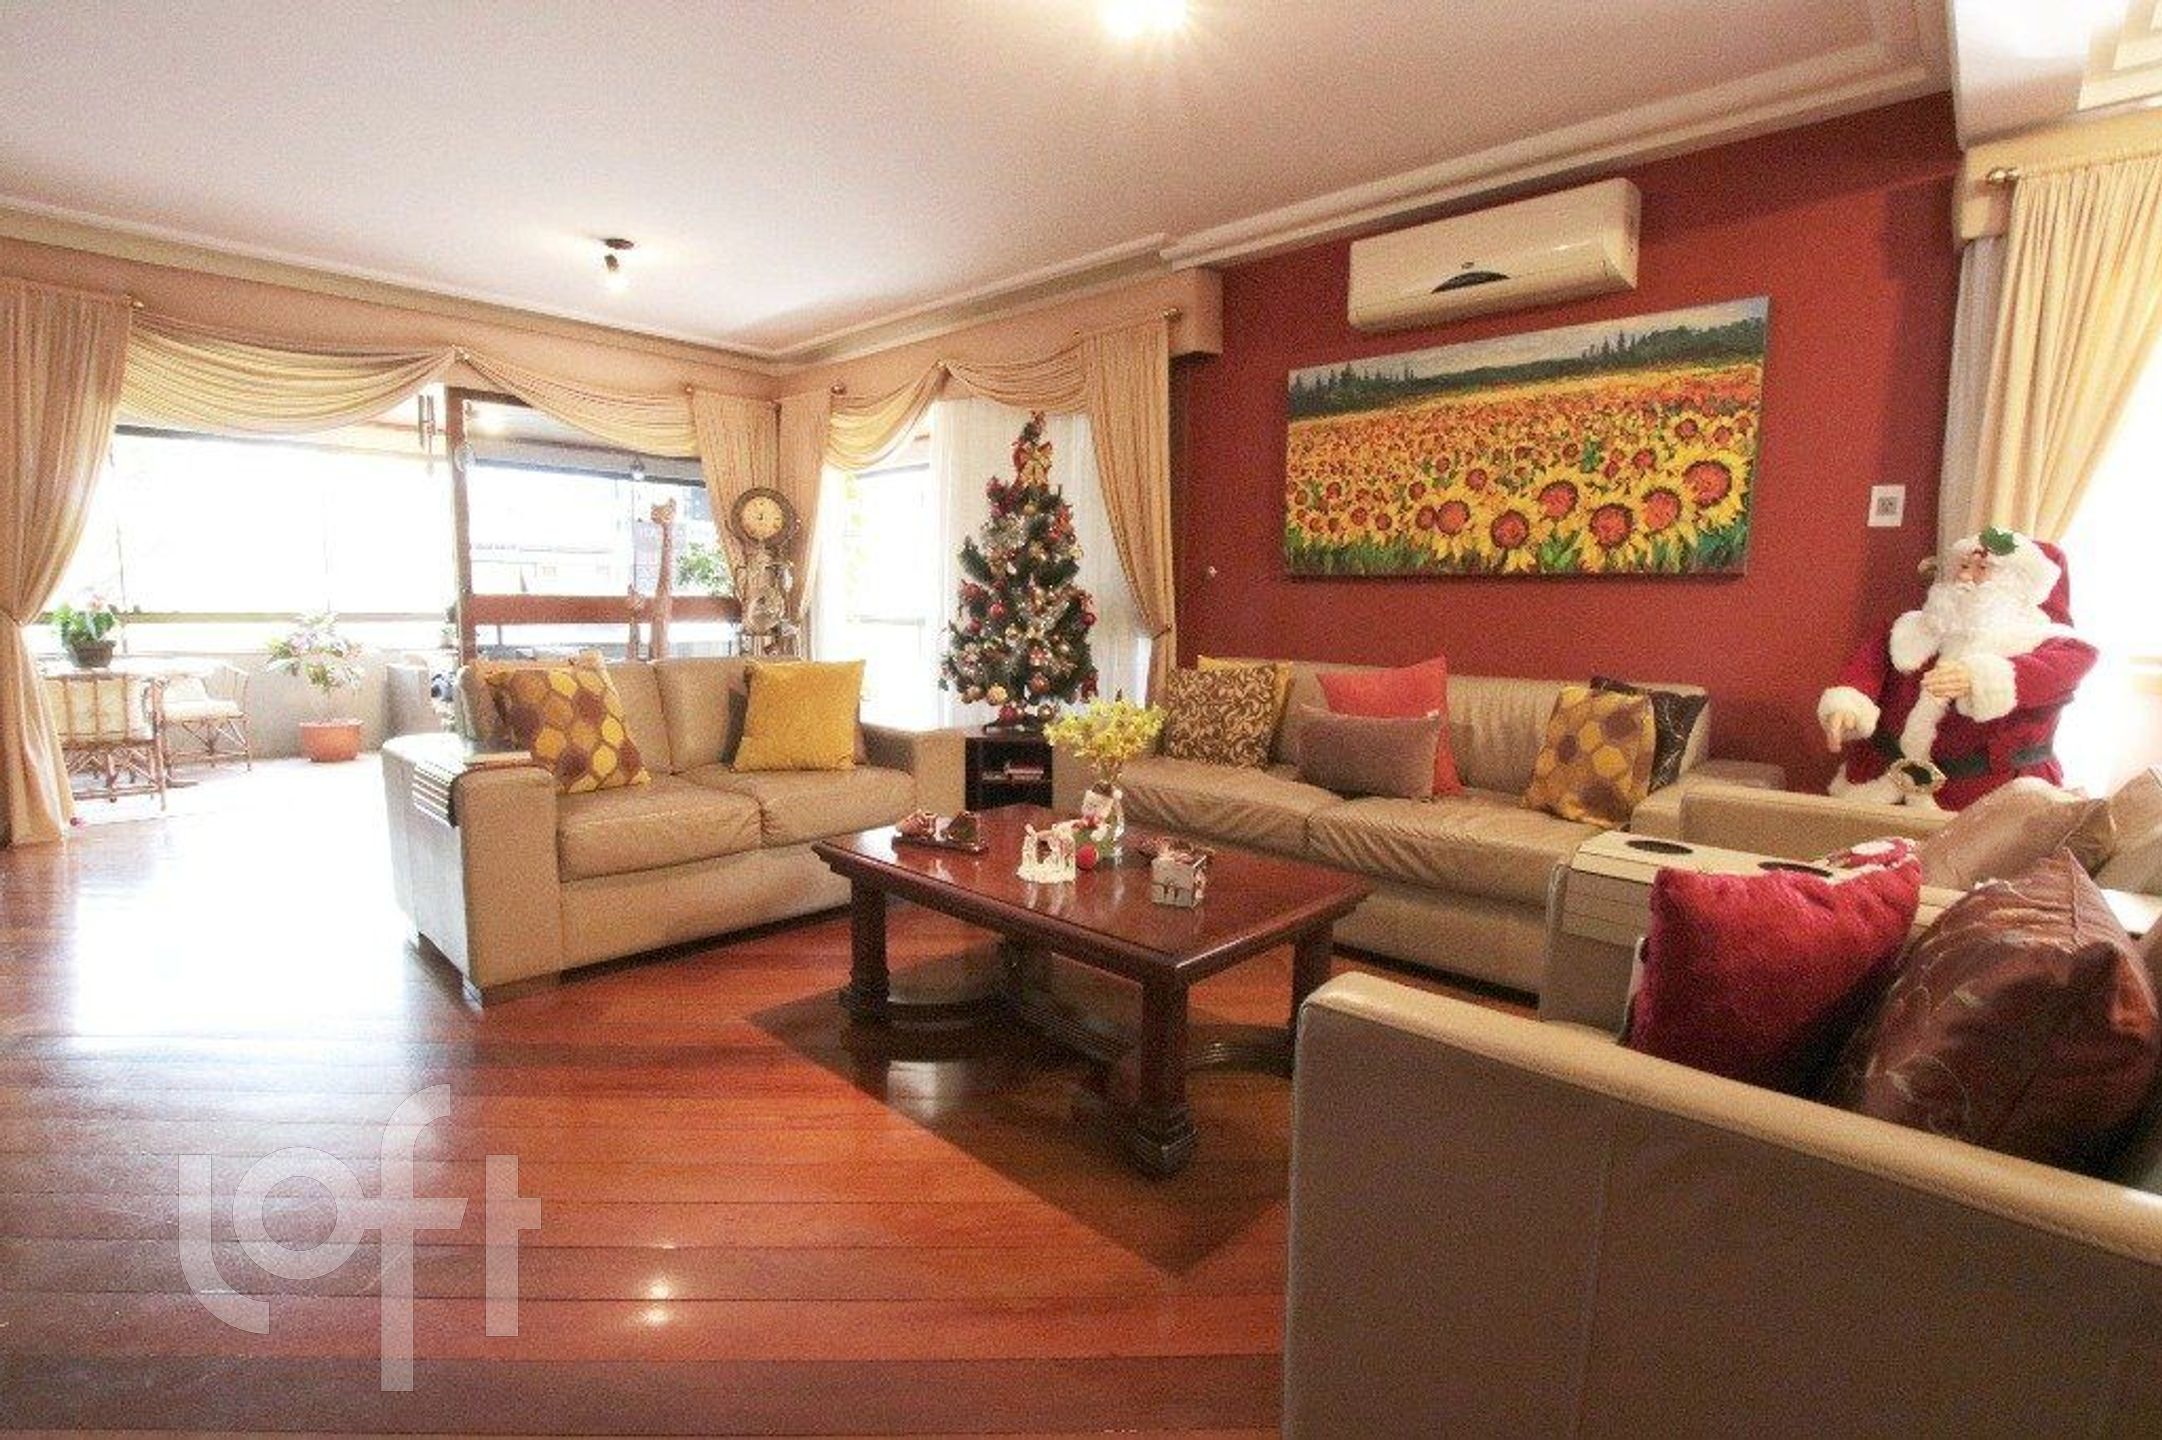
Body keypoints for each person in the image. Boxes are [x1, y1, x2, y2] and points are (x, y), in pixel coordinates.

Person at [1817, 527, 2096, 810]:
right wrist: (1847, 706)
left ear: (2016, 582)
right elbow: (1867, 669)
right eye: (1963, 566)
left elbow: (2050, 672)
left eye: (1981, 569)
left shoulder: (2055, 644)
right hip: (1880, 783)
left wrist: (1981, 678)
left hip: (1981, 799)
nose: (1964, 577)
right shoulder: (1909, 629)